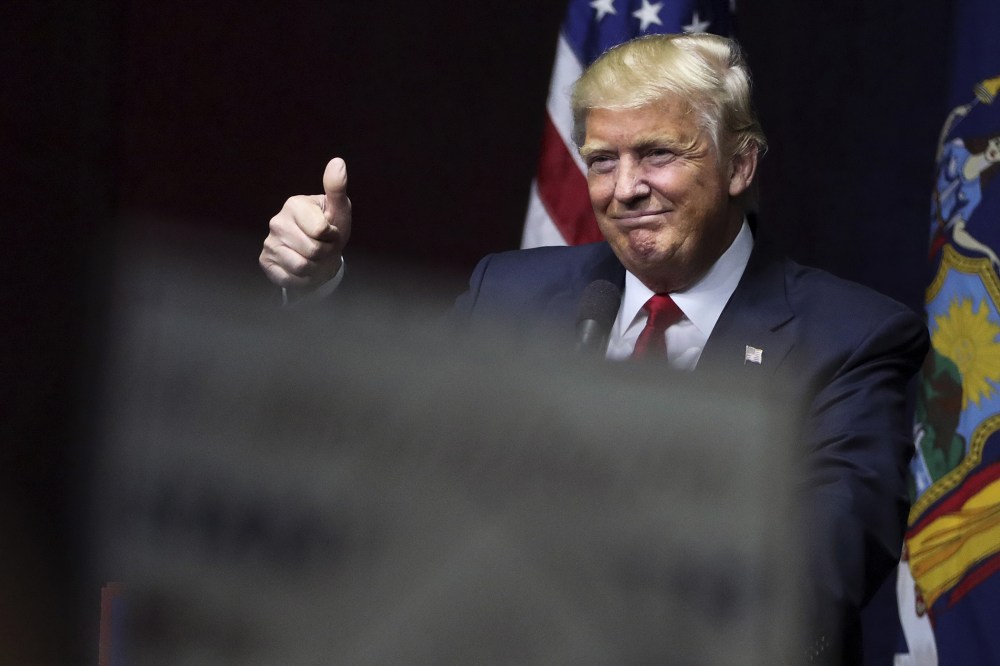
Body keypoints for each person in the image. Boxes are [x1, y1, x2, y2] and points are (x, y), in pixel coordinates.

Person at [259, 33, 929, 664]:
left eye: (658, 154)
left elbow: (811, 582)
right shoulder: (514, 293)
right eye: (602, 161)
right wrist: (320, 288)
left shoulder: (852, 340)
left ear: (740, 164)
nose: (625, 188)